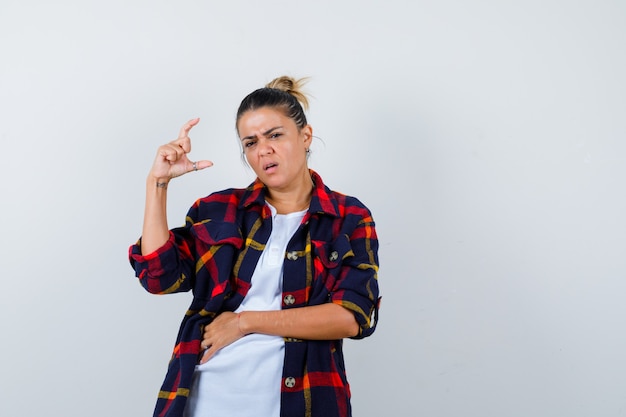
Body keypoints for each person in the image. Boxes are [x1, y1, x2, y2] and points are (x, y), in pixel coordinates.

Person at [129, 76, 381, 417]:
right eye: (250, 142)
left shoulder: (347, 217)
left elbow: (352, 316)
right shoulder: (220, 211)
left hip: (301, 402)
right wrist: (157, 183)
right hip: (206, 401)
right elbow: (159, 277)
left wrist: (244, 322)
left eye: (275, 135)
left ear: (305, 136)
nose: (263, 150)